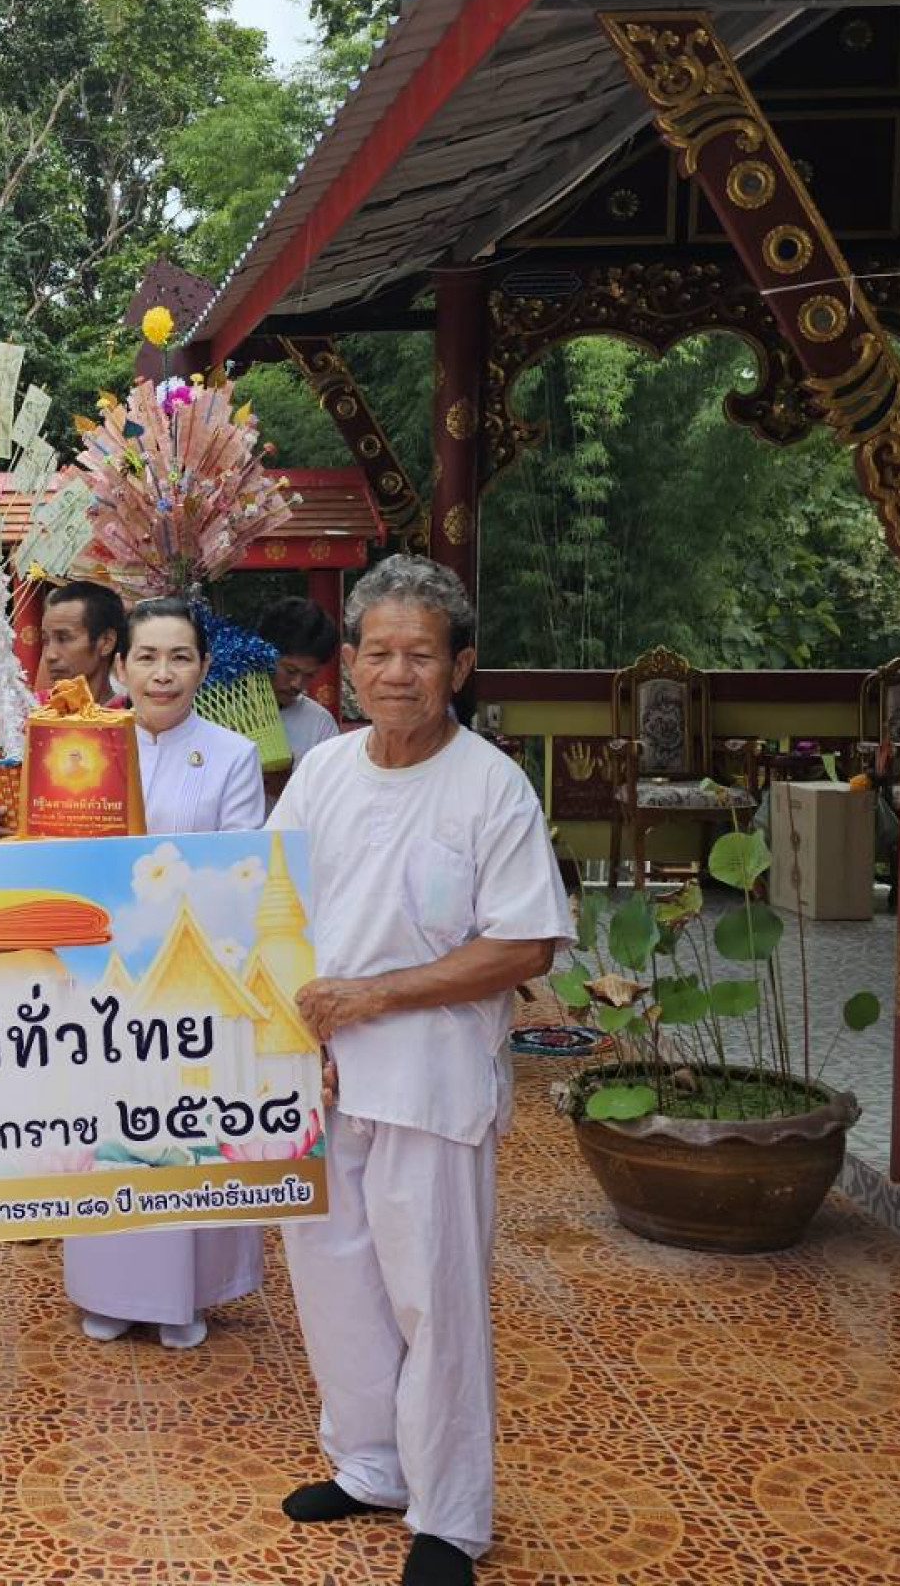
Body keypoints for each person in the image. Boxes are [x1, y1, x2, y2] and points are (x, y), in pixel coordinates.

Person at [268, 555, 568, 1586]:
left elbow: (526, 945)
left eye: (421, 655)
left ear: (460, 665)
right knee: (334, 1281)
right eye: (379, 653)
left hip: (432, 1082)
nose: (398, 673)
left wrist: (376, 996)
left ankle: (450, 1514)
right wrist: (299, 1030)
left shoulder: (490, 785)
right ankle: (370, 1465)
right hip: (324, 1080)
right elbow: (275, 911)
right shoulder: (322, 774)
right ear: (346, 664)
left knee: (434, 1300)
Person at [63, 597, 266, 1347]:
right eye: (145, 657)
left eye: (179, 657)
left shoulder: (230, 755)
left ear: (203, 667)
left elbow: (241, 870)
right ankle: (106, 1289)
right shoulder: (78, 747)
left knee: (183, 1129)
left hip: (191, 978)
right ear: (117, 665)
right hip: (102, 978)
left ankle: (190, 1293)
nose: (162, 673)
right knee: (111, 1133)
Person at [0, 578, 125, 843]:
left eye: (64, 639)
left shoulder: (129, 720)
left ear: (106, 641)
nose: (50, 654)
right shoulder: (26, 709)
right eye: (46, 640)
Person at [259, 596, 343, 763]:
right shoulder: (219, 708)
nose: (297, 684)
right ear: (262, 654)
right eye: (290, 671)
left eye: (309, 675)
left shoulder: (319, 724)